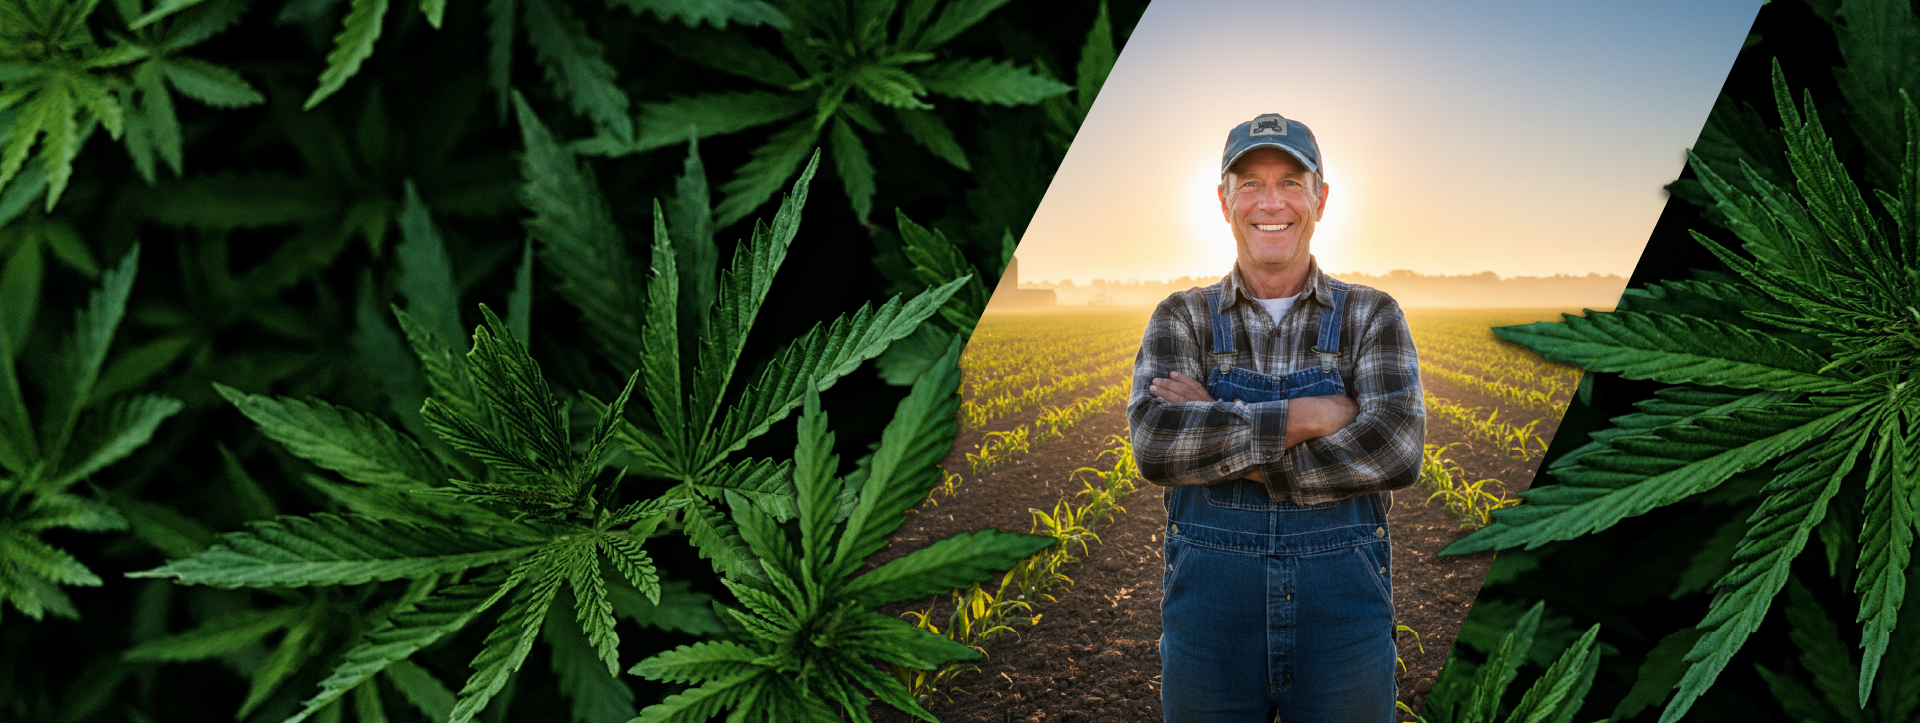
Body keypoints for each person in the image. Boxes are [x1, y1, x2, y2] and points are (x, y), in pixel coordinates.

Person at [1128, 113, 1425, 722]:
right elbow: (1156, 445)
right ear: (1223, 201)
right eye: (1249, 183)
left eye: (1291, 182)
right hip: (1208, 627)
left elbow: (1395, 449)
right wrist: (1313, 413)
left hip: (1344, 626)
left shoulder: (1372, 315)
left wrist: (1214, 417)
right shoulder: (1180, 317)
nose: (1271, 202)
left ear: (1320, 198)